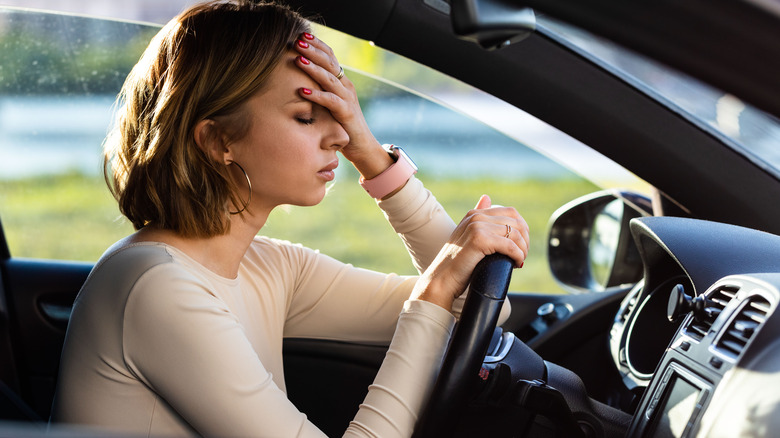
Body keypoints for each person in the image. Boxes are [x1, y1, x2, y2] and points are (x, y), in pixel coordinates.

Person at [50, 1, 529, 437]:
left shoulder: (269, 267)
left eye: (338, 110)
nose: (339, 134)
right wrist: (436, 285)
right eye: (306, 116)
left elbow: (479, 306)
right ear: (219, 142)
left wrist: (372, 154)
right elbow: (446, 295)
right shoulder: (156, 288)